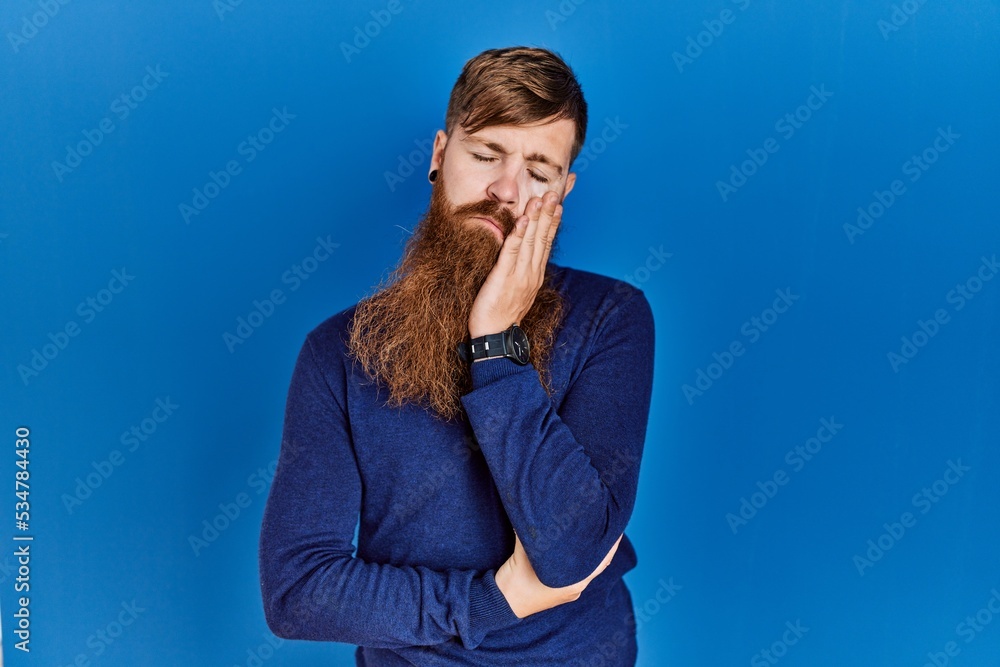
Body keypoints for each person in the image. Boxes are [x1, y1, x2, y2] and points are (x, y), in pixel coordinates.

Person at [258, 45, 655, 666]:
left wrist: (496, 340)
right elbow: (298, 593)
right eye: (485, 154)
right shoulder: (337, 353)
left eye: (539, 171)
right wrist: (497, 599)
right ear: (440, 156)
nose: (505, 190)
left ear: (564, 191)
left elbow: (574, 551)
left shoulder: (613, 317)